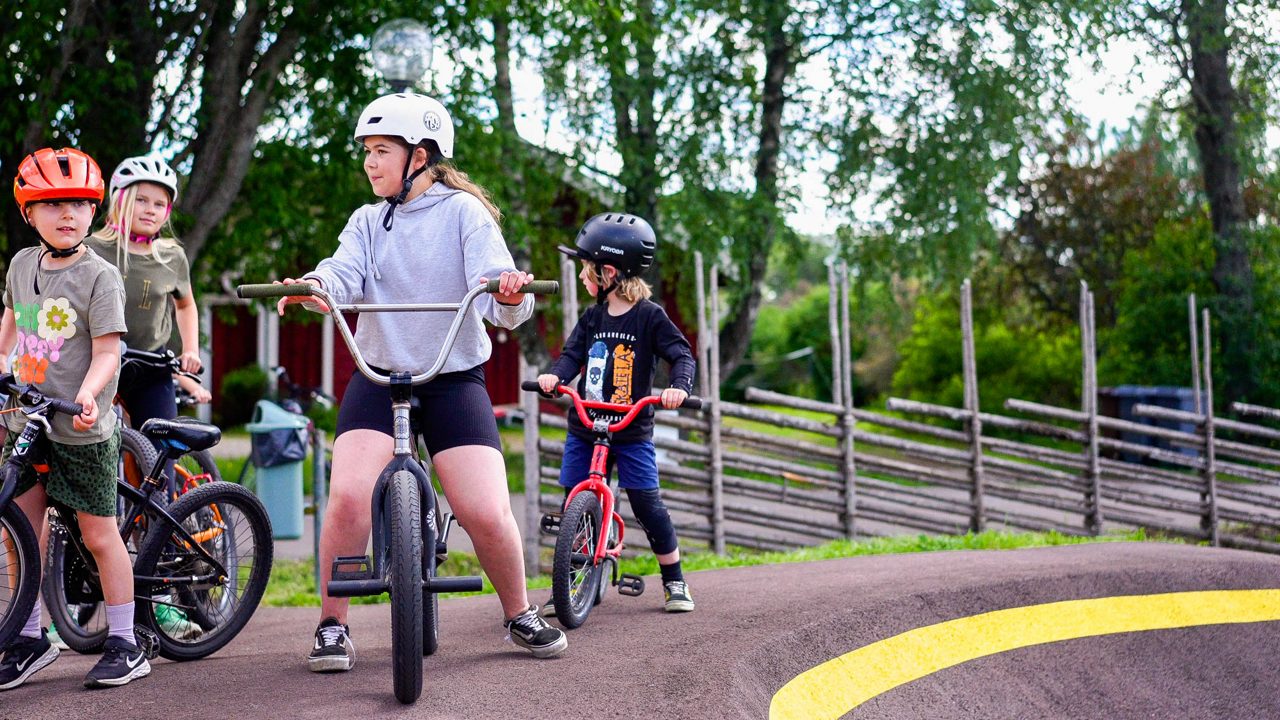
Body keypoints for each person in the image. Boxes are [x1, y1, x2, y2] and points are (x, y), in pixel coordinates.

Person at [275, 92, 567, 672]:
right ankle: (332, 625)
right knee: (348, 497)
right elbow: (341, 273)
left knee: (485, 509)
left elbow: (500, 296)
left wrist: (510, 291)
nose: (369, 162)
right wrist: (315, 286)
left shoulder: (463, 213)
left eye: (381, 150)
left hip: (452, 379)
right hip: (378, 378)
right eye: (366, 151)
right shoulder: (366, 220)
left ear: (421, 156)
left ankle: (519, 612)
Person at [1, 147, 150, 689]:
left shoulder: (99, 276)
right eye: (52, 204)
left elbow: (109, 351)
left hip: (80, 426)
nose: (68, 214)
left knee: (98, 534)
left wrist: (89, 393)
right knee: (21, 532)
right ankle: (29, 638)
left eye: (80, 204)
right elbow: (11, 324)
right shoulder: (22, 265)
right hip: (27, 420)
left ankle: (125, 643)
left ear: (94, 212)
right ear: (28, 213)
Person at [539, 212, 698, 613]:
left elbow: (681, 354)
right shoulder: (592, 317)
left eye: (586, 268)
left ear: (608, 272)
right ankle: (570, 583)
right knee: (574, 498)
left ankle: (674, 580)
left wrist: (679, 388)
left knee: (646, 503)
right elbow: (571, 355)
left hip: (630, 430)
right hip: (586, 425)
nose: (581, 276)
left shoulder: (649, 316)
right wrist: (555, 377)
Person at [87, 155, 202, 431]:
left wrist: (191, 350)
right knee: (87, 441)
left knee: (161, 440)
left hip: (149, 364)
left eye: (159, 204)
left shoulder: (172, 257)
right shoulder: (91, 249)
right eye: (141, 200)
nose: (151, 210)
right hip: (94, 361)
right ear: (120, 201)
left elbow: (185, 305)